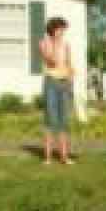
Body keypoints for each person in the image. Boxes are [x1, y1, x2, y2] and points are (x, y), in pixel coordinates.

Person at [39, 17, 75, 165]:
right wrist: (54, 44)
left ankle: (64, 157)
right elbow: (51, 61)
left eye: (63, 30)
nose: (62, 32)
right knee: (51, 119)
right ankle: (47, 157)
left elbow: (68, 64)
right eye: (60, 29)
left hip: (64, 83)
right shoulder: (43, 43)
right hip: (51, 83)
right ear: (53, 29)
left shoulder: (66, 45)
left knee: (64, 121)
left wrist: (71, 81)